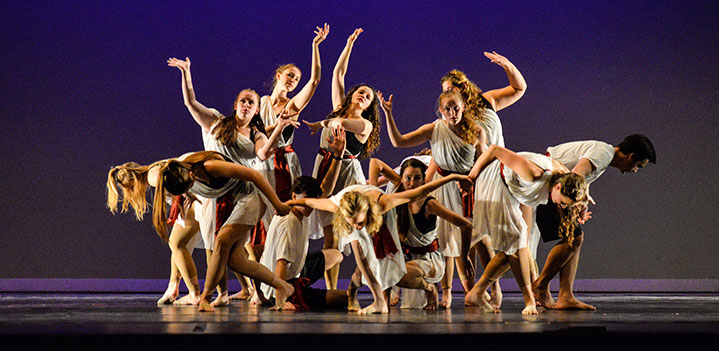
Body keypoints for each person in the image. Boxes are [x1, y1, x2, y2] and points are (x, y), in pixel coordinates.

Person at [167, 56, 299, 304]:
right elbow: (191, 103)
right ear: (236, 104)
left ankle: (210, 296)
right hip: (212, 194)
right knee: (231, 255)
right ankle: (277, 287)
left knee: (223, 244)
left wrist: (279, 127)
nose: (246, 105)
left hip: (243, 194)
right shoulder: (217, 123)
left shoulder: (257, 134)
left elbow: (262, 154)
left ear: (257, 109)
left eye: (251, 102)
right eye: (243, 101)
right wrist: (186, 73)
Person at [288, 171, 471, 314]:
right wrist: (284, 204)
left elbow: (418, 192)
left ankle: (427, 288)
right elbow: (309, 202)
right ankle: (372, 299)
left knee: (390, 270)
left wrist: (453, 177)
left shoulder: (383, 203)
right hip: (351, 209)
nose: (359, 227)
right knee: (361, 258)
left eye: (360, 223)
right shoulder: (336, 205)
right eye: (354, 223)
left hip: (380, 217)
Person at [150, 151, 294, 312]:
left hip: (252, 197)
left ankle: (205, 297)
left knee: (221, 242)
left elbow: (255, 176)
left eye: (189, 186)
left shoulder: (211, 167)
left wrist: (277, 204)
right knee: (237, 262)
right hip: (236, 202)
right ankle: (282, 286)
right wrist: (188, 195)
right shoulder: (171, 171)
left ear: (191, 175)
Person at [378, 88, 482, 308]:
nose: (453, 112)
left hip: (465, 186)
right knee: (444, 241)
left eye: (456, 107)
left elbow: (483, 162)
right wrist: (388, 114)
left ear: (463, 107)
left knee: (466, 242)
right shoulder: (435, 129)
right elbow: (399, 142)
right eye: (448, 108)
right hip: (439, 185)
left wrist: (472, 182)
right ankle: (441, 293)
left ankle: (473, 293)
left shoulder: (476, 131)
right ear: (441, 111)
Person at [440, 52, 527, 309]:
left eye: (450, 89)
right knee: (478, 236)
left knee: (504, 234)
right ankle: (483, 288)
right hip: (474, 174)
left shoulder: (486, 101)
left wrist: (508, 65)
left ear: (463, 87)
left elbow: (519, 88)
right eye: (444, 92)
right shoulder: (453, 116)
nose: (447, 96)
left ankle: (496, 286)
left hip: (499, 169)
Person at [531, 134, 656, 310]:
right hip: (550, 189)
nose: (635, 170)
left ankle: (565, 295)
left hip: (554, 187)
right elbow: (574, 176)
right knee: (574, 238)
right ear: (631, 156)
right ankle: (540, 285)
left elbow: (581, 177)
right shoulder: (603, 152)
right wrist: (576, 204)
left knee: (575, 238)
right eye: (638, 166)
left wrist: (581, 201)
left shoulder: (603, 155)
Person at [463, 145, 588, 314]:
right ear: (557, 187)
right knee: (518, 239)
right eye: (563, 202)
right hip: (495, 182)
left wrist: (582, 203)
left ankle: (477, 292)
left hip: (514, 192)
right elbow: (494, 150)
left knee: (514, 246)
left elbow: (577, 183)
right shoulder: (533, 173)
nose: (562, 206)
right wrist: (471, 178)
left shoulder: (564, 177)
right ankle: (529, 299)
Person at [303, 28, 381, 290]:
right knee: (329, 234)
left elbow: (337, 122)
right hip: (323, 166)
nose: (363, 96)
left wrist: (318, 123)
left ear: (370, 106)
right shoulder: (339, 108)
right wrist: (348, 44)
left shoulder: (364, 125)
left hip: (345, 173)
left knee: (347, 231)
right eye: (361, 92)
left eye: (368, 96)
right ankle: (332, 290)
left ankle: (366, 281)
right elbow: (338, 74)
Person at [253, 126, 347, 308]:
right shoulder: (289, 221)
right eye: (306, 199)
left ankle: (297, 281)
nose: (309, 205)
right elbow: (280, 264)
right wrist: (281, 302)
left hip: (292, 273)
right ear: (294, 195)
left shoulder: (301, 210)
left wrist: (338, 154)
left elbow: (326, 190)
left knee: (336, 255)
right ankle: (287, 295)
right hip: (281, 286)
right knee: (345, 298)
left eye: (311, 200)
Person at [369, 157, 474, 310]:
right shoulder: (401, 189)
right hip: (405, 256)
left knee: (396, 274)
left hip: (428, 260)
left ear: (424, 179)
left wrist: (464, 257)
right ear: (402, 178)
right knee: (379, 266)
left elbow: (466, 225)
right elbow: (375, 163)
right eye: (408, 178)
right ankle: (383, 300)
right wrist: (374, 190)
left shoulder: (429, 203)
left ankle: (430, 288)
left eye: (417, 178)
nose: (411, 183)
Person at [107, 159, 211, 306]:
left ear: (136, 179)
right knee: (178, 244)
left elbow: (175, 178)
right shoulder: (153, 171)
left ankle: (194, 293)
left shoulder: (152, 176)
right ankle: (173, 287)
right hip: (194, 201)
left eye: (131, 188)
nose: (132, 192)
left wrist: (186, 194)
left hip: (195, 201)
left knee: (177, 244)